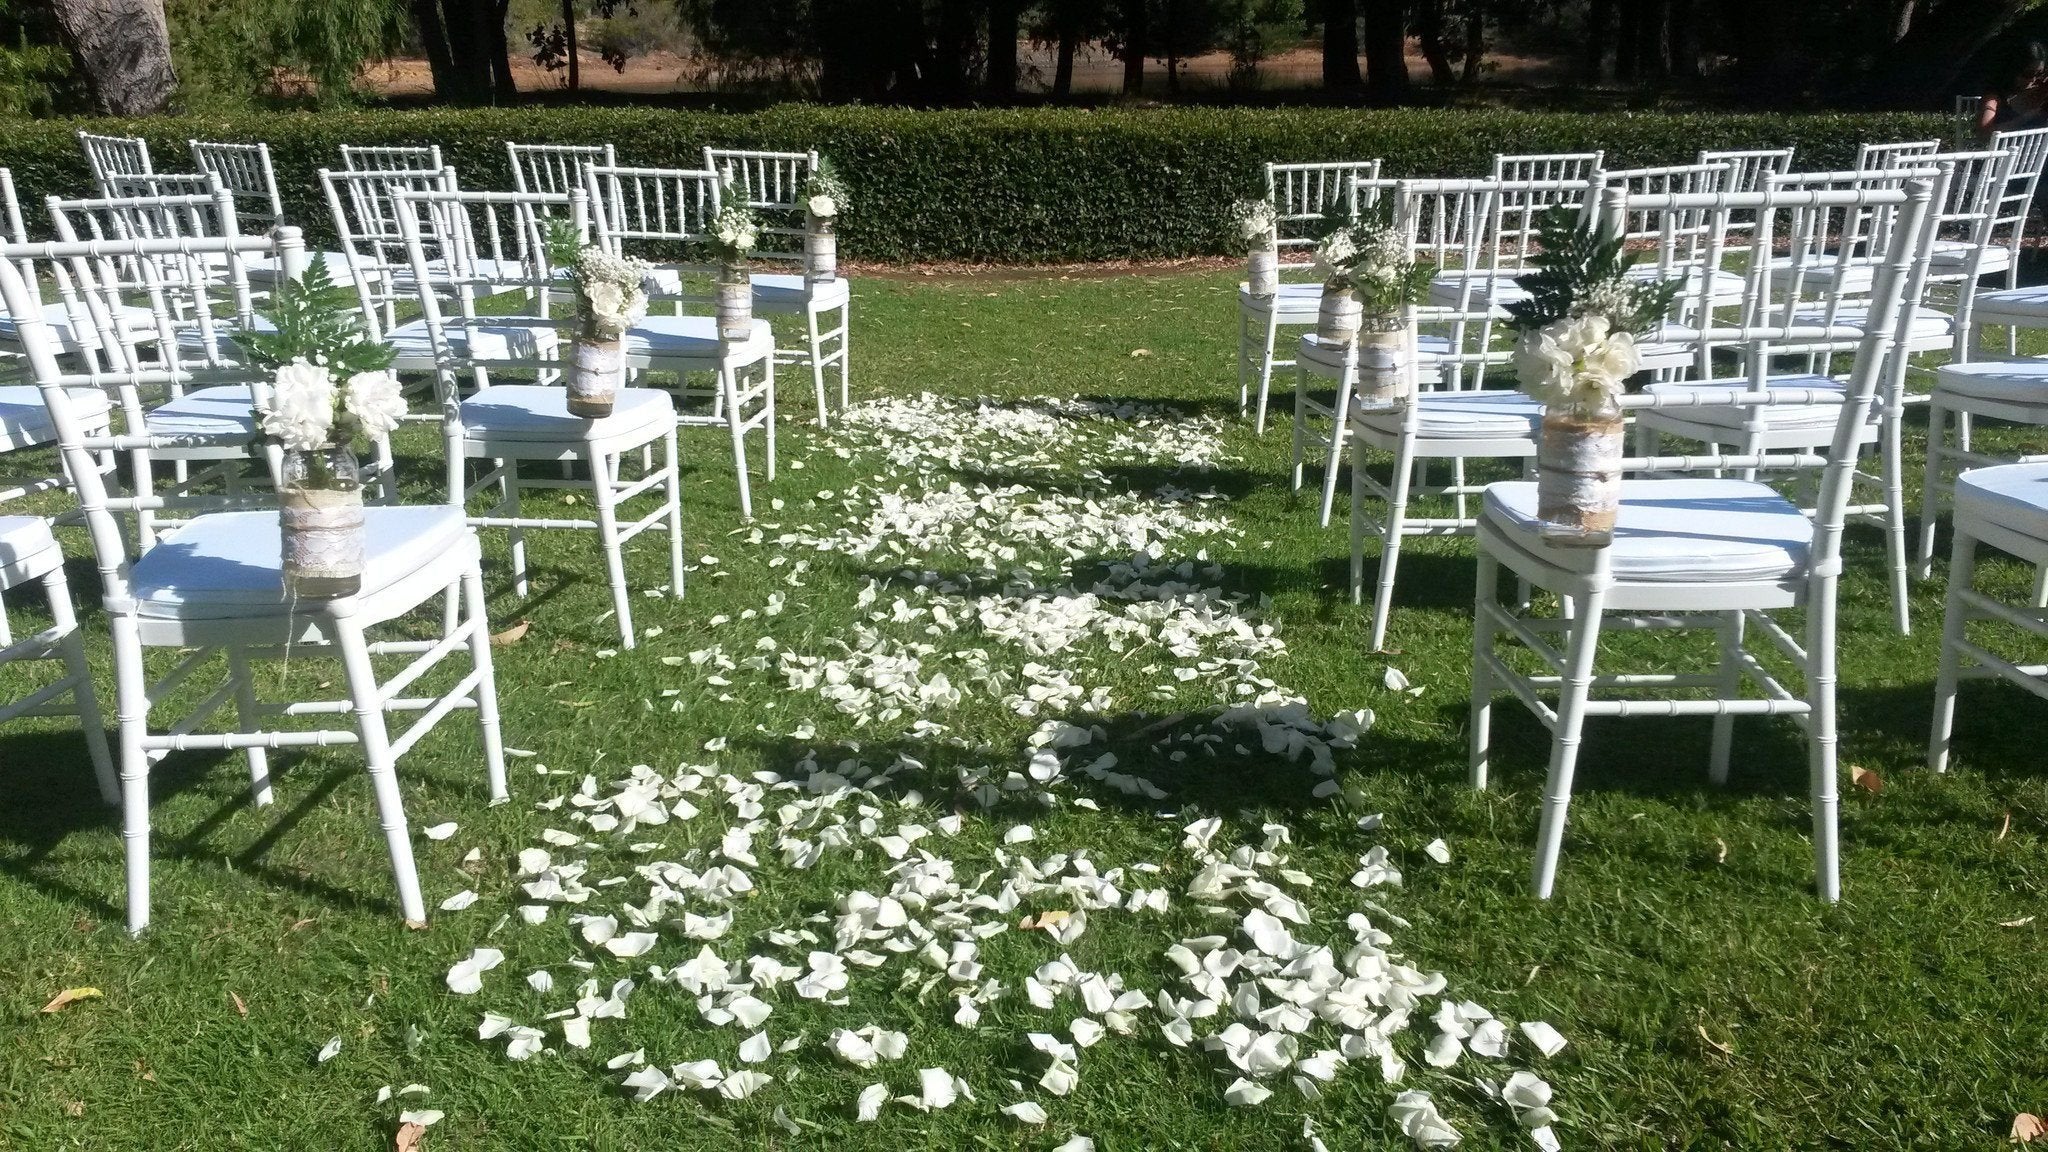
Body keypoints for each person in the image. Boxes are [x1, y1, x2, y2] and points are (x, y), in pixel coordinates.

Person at [1978, 40, 2048, 138]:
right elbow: (1983, 133)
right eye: (2028, 74)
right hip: (2008, 151)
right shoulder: (1994, 97)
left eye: (2040, 74)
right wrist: (2025, 118)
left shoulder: (2041, 91)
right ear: (2013, 71)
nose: (2033, 79)